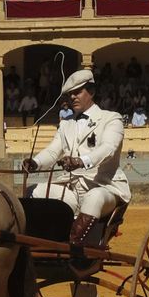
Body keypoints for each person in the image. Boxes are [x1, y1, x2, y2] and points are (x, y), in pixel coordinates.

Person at [20, 68, 131, 248]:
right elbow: (53, 151)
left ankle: (74, 249)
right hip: (71, 189)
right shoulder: (66, 123)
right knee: (34, 191)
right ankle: (38, 244)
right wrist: (35, 163)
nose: (72, 97)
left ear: (92, 92)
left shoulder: (111, 119)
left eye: (78, 92)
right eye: (70, 94)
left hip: (104, 187)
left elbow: (108, 149)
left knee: (94, 197)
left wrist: (81, 161)